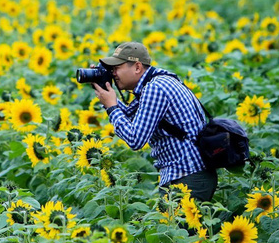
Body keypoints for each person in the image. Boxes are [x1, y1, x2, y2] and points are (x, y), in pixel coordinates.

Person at [91, 41, 217, 201]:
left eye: (117, 68)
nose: (113, 73)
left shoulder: (155, 89)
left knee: (176, 226)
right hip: (190, 173)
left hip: (186, 175)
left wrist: (111, 107)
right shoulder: (158, 81)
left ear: (137, 67)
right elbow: (131, 115)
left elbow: (135, 139)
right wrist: (103, 90)